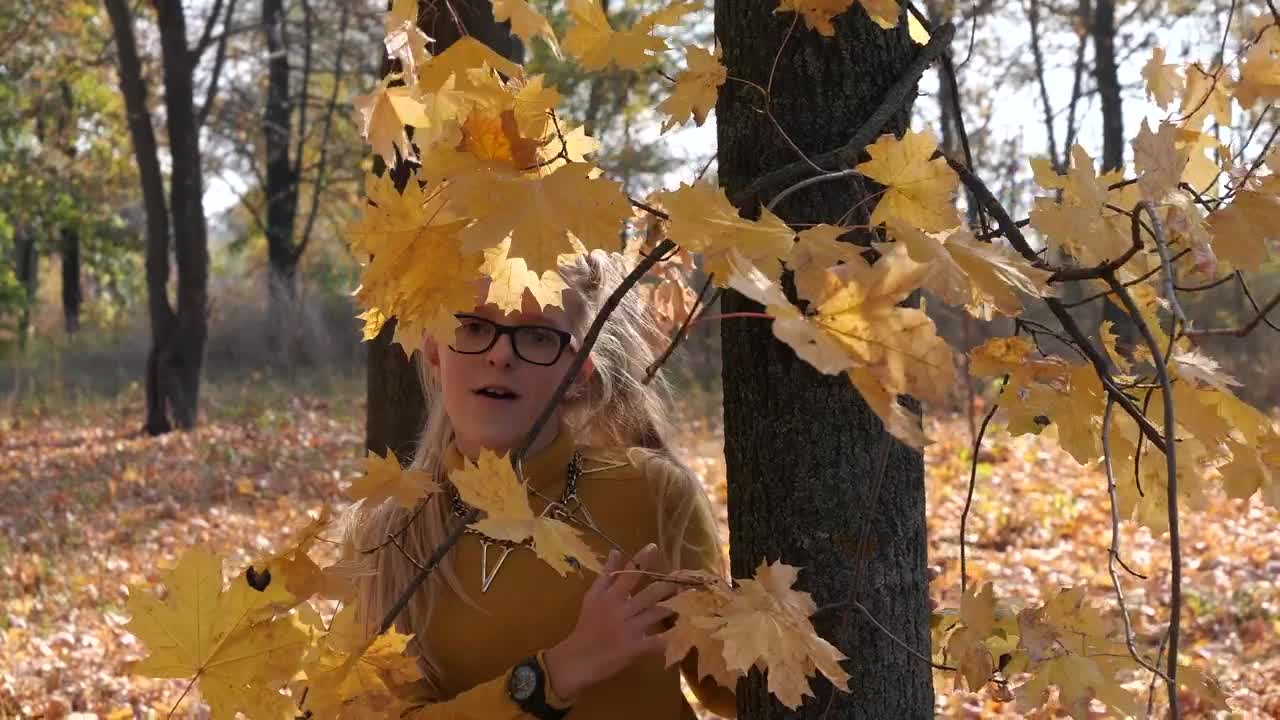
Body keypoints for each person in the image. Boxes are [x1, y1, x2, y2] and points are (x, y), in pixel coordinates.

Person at [345, 249, 737, 719]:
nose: (501, 354)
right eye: (473, 326)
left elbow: (739, 689)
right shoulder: (387, 536)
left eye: (536, 335)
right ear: (433, 347)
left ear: (578, 370)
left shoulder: (653, 495)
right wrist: (554, 675)